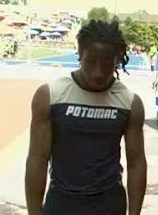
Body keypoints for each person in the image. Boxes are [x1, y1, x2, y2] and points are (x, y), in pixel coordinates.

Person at [25, 19, 147, 215]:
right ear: (80, 53)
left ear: (118, 58)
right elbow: (37, 159)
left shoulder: (130, 103)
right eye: (90, 61)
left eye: (107, 62)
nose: (98, 72)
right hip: (62, 204)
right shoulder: (50, 96)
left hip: (109, 205)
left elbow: (136, 163)